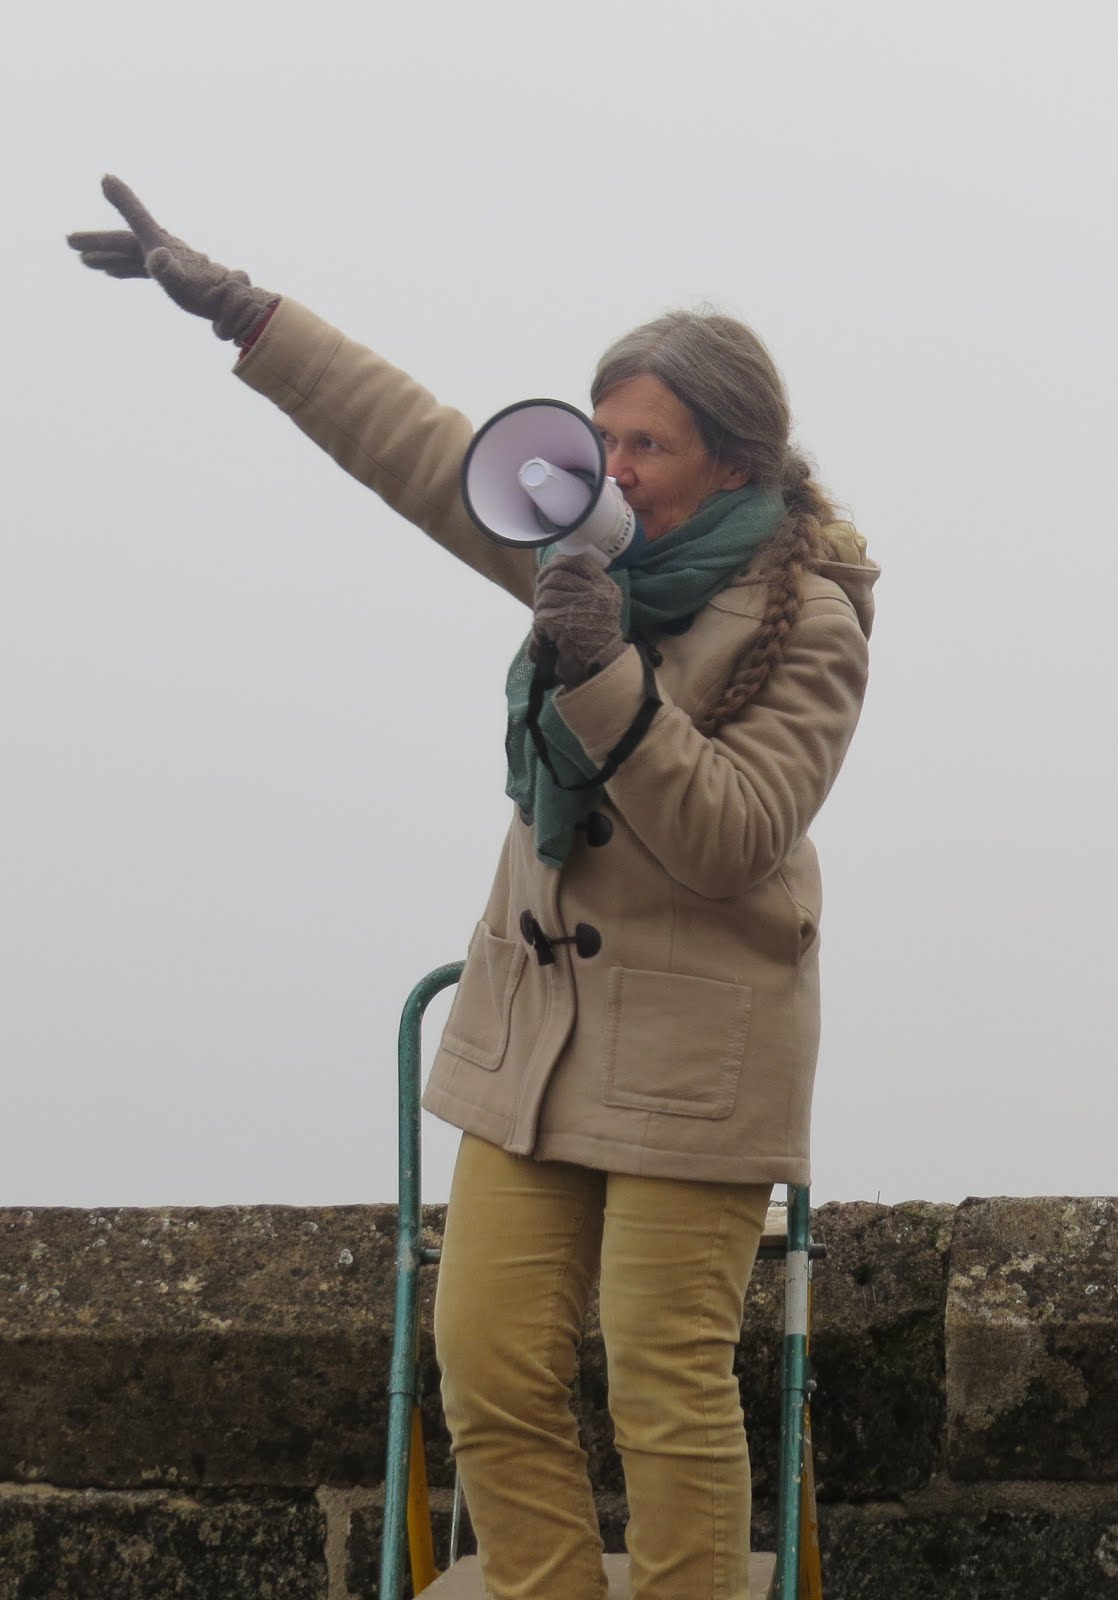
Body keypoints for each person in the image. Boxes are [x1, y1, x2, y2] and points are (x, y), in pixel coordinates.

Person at [69, 176, 879, 1600]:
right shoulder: (583, 552)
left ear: (738, 462)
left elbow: (736, 834)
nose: (613, 471)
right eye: (604, 436)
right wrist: (240, 309)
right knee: (487, 1361)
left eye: (651, 446)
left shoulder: (802, 611)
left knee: (659, 1378)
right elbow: (417, 444)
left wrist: (599, 670)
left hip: (697, 1058)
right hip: (533, 1037)